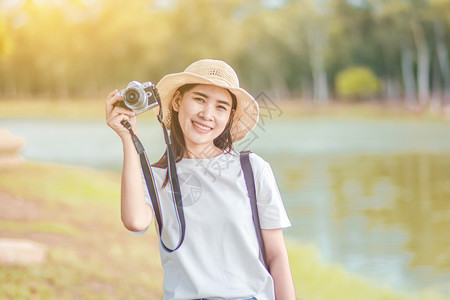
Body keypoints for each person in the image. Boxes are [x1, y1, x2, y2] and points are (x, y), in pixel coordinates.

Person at [105, 59, 296, 300]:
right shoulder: (156, 178)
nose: (207, 114)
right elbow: (134, 221)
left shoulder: (251, 169)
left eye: (221, 107)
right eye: (199, 99)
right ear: (177, 102)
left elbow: (277, 256)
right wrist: (127, 137)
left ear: (230, 116)